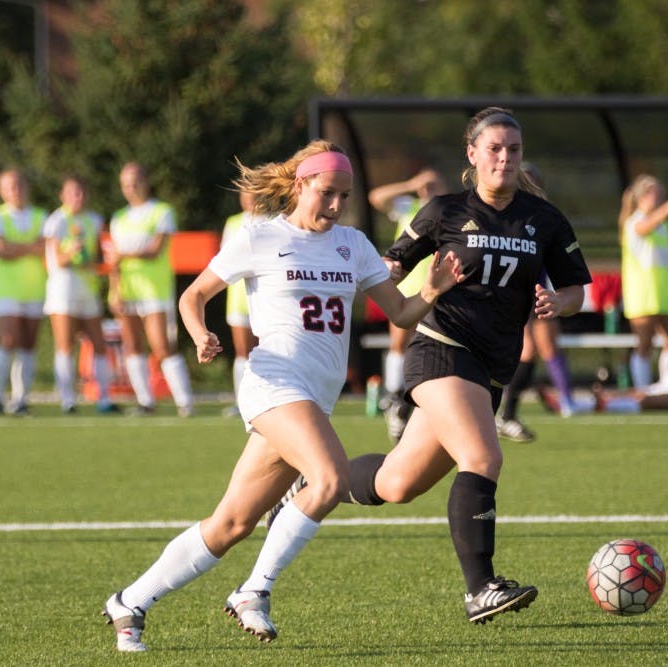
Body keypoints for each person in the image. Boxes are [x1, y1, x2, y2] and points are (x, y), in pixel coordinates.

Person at [101, 140, 464, 652]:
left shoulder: (355, 245)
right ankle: (254, 591)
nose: (337, 205)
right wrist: (201, 333)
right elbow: (192, 295)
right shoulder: (261, 236)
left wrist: (436, 288)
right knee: (331, 478)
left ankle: (130, 602)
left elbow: (402, 314)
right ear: (300, 185)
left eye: (345, 195)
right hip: (273, 383)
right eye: (327, 193)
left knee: (230, 524)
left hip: (313, 399)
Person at [270, 108, 592, 625]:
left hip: (490, 368)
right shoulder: (443, 210)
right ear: (473, 154)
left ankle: (304, 488)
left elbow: (576, 287)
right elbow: (389, 265)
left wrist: (561, 303)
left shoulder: (544, 219)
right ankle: (480, 588)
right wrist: (378, 273)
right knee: (483, 457)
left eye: (513, 149)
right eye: (494, 148)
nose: (505, 157)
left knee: (398, 483)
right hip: (442, 349)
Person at [495, 162, 581, 443]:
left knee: (541, 348)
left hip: (538, 293)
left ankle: (514, 412)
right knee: (527, 350)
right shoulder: (503, 217)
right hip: (510, 294)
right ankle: (503, 413)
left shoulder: (544, 219)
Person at [103, 162, 194, 417]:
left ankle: (184, 401)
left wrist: (124, 254)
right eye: (125, 185)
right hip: (128, 290)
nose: (130, 189)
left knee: (161, 346)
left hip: (154, 290)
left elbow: (155, 251)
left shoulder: (162, 212)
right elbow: (113, 263)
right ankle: (145, 401)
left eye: (135, 182)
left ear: (146, 181)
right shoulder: (119, 218)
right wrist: (114, 292)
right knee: (132, 346)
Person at [368, 167, 448, 442]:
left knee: (433, 347)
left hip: (437, 292)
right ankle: (393, 397)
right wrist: (409, 183)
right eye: (425, 183)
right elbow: (376, 197)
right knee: (399, 344)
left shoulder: (447, 212)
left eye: (433, 182)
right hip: (406, 289)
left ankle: (417, 401)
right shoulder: (408, 206)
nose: (428, 187)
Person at [43, 175, 118, 414]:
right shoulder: (56, 221)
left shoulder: (94, 220)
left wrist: (101, 258)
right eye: (73, 193)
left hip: (87, 289)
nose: (79, 197)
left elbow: (101, 254)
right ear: (63, 196)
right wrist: (71, 253)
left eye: (82, 192)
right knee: (65, 345)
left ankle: (104, 398)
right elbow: (56, 261)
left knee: (99, 343)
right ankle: (68, 400)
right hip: (63, 290)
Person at [0, 169, 47, 416]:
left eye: (19, 184)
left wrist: (17, 247)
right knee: (7, 341)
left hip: (34, 288)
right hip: (6, 290)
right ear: (2, 191)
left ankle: (20, 398)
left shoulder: (40, 215)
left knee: (28, 344)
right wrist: (30, 247)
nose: (16, 190)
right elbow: (2, 250)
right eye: (10, 186)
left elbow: (44, 248)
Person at [619, 174, 668, 389]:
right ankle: (642, 390)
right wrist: (667, 209)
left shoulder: (664, 225)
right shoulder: (633, 221)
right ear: (642, 197)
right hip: (642, 295)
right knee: (644, 344)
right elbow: (643, 228)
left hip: (664, 293)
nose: (659, 199)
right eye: (654, 194)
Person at [219, 190, 260, 417]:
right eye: (244, 194)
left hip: (265, 298)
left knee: (268, 350)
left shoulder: (276, 221)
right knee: (243, 351)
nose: (248, 199)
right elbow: (225, 258)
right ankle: (241, 400)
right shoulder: (234, 222)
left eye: (253, 194)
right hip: (238, 297)